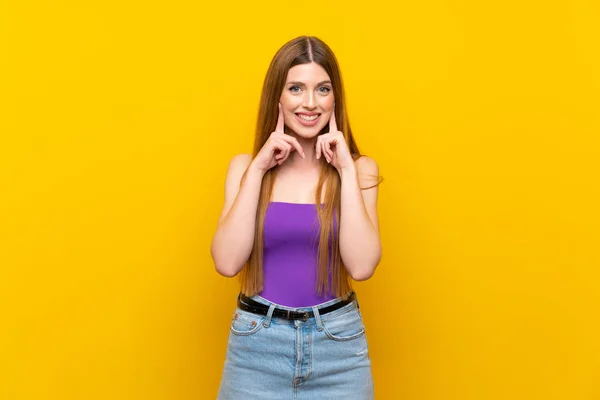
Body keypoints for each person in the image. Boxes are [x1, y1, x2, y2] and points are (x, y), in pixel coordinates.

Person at [210, 35, 382, 399]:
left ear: (335, 99)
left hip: (338, 347)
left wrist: (346, 172)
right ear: (278, 96)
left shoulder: (360, 170)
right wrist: (257, 169)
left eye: (322, 89)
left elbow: (363, 266)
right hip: (256, 347)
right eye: (295, 88)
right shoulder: (245, 168)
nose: (309, 103)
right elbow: (226, 262)